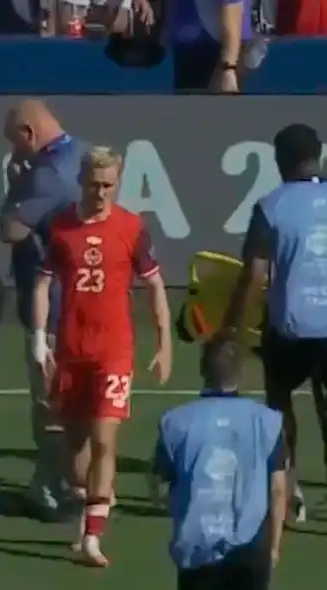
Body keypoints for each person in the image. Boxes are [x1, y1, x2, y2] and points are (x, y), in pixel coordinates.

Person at [32, 145, 173, 566]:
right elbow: (42, 283)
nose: (101, 193)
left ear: (118, 183)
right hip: (72, 350)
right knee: (74, 451)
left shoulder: (131, 227)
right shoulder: (59, 227)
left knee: (103, 440)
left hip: (114, 351)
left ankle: (94, 536)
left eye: (108, 186)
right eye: (94, 184)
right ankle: (90, 502)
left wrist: (164, 342)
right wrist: (41, 338)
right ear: (81, 181)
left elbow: (155, 286)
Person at [221, 123, 327, 523]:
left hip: (291, 329)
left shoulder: (271, 205)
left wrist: (233, 326)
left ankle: (290, 492)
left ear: (279, 161)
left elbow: (255, 276)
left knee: (279, 404)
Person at [0, 99, 85, 518]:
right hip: (84, 302)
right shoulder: (83, 155)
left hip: (50, 306)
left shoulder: (47, 174)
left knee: (49, 400)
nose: (13, 151)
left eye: (14, 142)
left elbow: (10, 229)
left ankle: (56, 489)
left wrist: (13, 183)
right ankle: (64, 482)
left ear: (28, 134)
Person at [151, 337, 286, 590]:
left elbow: (158, 488)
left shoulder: (176, 421)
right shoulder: (267, 421)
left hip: (197, 549)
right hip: (251, 549)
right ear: (241, 371)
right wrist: (274, 547)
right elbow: (278, 490)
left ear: (203, 370)